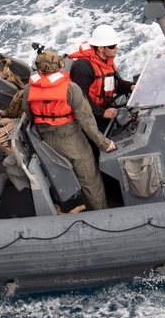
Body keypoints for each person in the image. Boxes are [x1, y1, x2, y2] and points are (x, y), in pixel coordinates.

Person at [23, 50, 116, 210]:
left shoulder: (29, 89)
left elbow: (29, 113)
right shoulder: (71, 88)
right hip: (70, 138)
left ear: (38, 68)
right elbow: (85, 120)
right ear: (59, 66)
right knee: (90, 177)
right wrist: (103, 143)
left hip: (44, 139)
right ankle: (103, 212)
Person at [67, 24, 135, 133]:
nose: (116, 48)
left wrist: (131, 87)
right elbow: (80, 99)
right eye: (112, 46)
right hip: (88, 113)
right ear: (101, 48)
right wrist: (102, 113)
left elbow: (115, 84)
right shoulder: (83, 68)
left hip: (101, 108)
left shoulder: (106, 61)